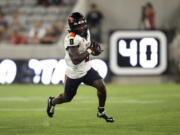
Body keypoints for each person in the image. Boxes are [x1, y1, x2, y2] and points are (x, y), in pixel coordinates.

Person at [46, 12, 114, 122]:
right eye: (78, 26)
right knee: (67, 98)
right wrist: (90, 50)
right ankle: (52, 101)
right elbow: (76, 60)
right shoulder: (71, 38)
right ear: (73, 27)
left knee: (101, 86)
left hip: (87, 69)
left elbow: (88, 47)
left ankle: (101, 111)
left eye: (82, 25)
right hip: (74, 73)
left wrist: (95, 50)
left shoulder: (86, 32)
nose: (81, 27)